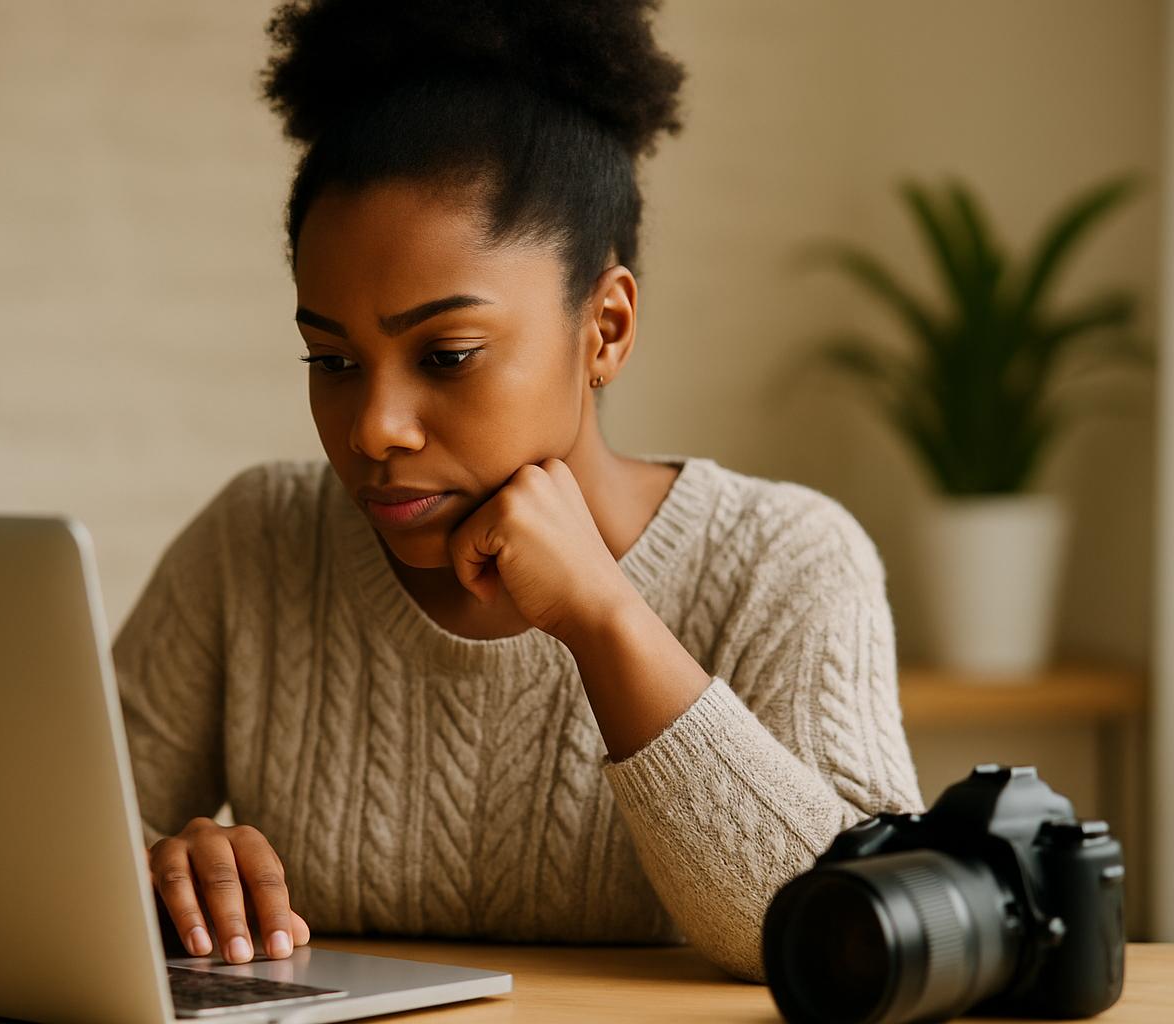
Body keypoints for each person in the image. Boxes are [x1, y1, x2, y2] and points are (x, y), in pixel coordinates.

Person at [112, 0, 926, 985]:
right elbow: (52, 847)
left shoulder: (786, 558)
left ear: (607, 329)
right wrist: (159, 874)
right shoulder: (255, 542)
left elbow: (864, 932)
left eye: (447, 354)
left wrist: (603, 618)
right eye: (331, 360)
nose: (374, 427)